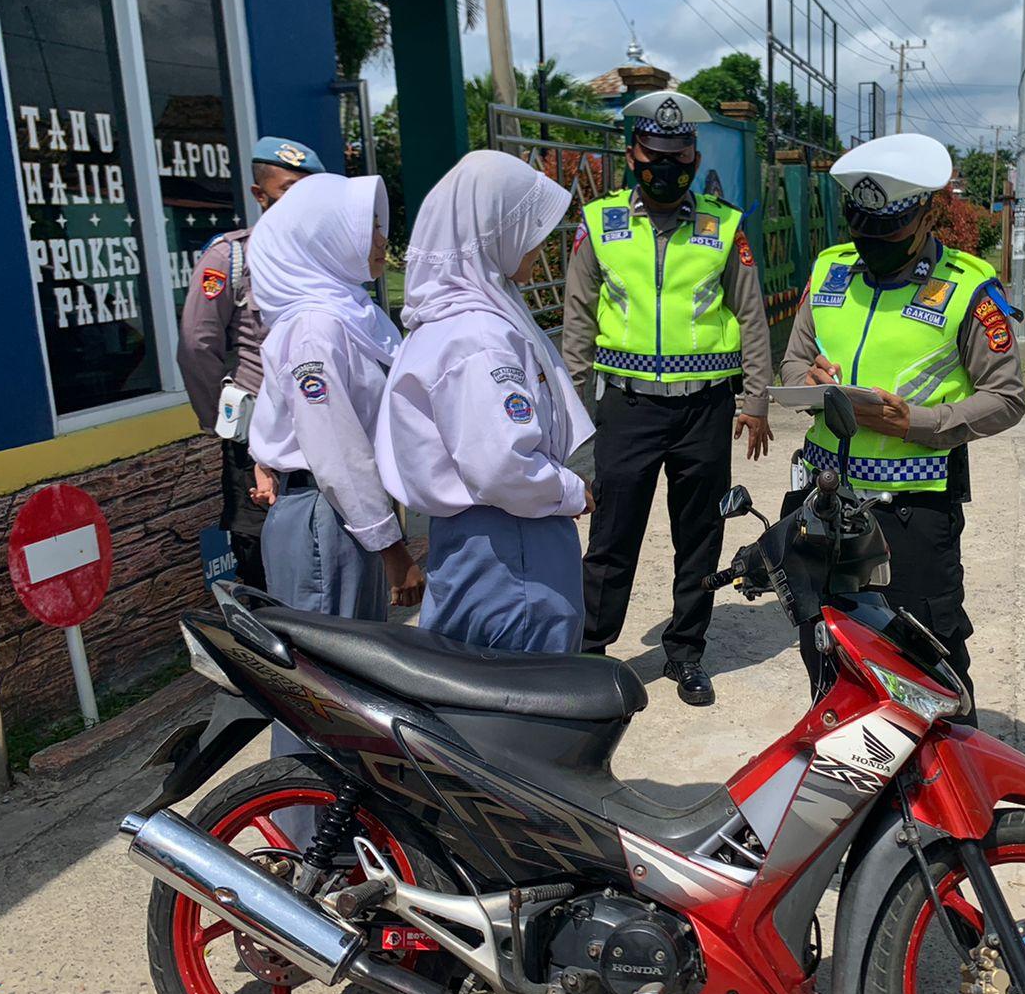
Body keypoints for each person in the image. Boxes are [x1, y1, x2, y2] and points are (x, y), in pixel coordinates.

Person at [780, 133, 1025, 722]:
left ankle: (953, 801)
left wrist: (919, 422)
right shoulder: (831, 271)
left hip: (910, 513)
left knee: (926, 655)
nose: (871, 245)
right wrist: (811, 380)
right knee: (827, 647)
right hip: (822, 503)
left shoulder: (968, 288)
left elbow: (1007, 397)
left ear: (922, 215)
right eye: (861, 230)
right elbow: (791, 363)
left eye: (886, 232)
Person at [562, 90, 775, 706]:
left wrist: (755, 401)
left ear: (693, 156)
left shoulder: (722, 225)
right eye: (654, 155)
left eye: (678, 157)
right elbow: (577, 326)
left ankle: (686, 653)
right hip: (626, 409)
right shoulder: (600, 223)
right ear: (632, 153)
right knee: (612, 536)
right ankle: (591, 653)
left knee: (699, 536)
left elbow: (752, 318)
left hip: (703, 410)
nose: (665, 167)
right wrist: (575, 423)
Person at [376, 152, 594, 653]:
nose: (541, 243)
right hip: (513, 547)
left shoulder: (452, 321)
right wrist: (571, 490)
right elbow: (502, 467)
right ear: (495, 230)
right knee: (525, 702)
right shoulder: (480, 337)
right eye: (530, 226)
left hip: (483, 543)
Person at [247, 172, 425, 619]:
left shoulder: (349, 312)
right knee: (335, 667)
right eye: (370, 229)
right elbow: (337, 452)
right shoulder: (315, 328)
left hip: (345, 511)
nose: (382, 240)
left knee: (358, 659)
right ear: (328, 238)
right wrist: (392, 550)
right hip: (324, 517)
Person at [176, 136, 325, 589]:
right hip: (258, 435)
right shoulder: (231, 256)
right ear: (260, 195)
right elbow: (196, 344)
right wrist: (220, 419)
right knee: (260, 552)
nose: (298, 203)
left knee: (322, 549)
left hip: (320, 429)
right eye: (286, 190)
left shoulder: (323, 255)